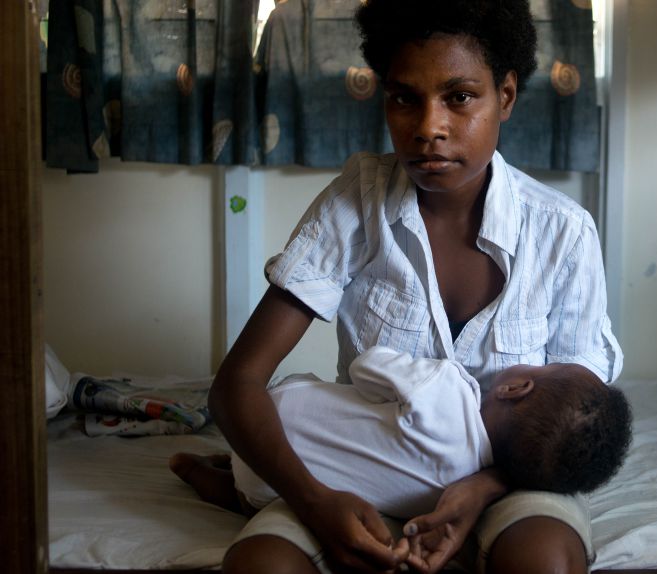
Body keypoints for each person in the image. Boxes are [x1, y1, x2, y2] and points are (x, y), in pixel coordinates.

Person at [203, 0, 624, 572]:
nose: (429, 128)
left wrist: (483, 486)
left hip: (510, 484)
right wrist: (316, 501)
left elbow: (571, 422)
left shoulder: (563, 233)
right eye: (405, 98)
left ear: (505, 96)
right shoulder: (357, 203)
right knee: (260, 566)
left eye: (459, 97)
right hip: (361, 472)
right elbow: (237, 385)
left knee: (542, 558)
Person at [172, 345, 631, 571]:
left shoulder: (448, 390)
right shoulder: (458, 486)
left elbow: (367, 364)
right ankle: (206, 478)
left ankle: (200, 466)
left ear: (515, 388)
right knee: (242, 491)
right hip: (261, 489)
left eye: (543, 364)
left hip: (269, 428)